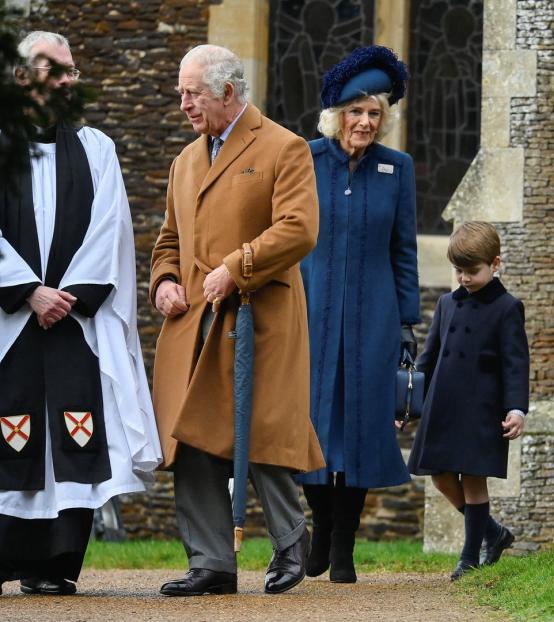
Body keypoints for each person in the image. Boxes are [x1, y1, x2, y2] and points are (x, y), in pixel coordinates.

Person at [150, 44, 324, 596]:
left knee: (261, 431)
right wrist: (165, 282)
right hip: (193, 321)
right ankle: (211, 563)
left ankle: (291, 539)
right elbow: (168, 242)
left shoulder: (283, 147)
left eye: (192, 93)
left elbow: (299, 229)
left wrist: (235, 268)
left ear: (228, 92)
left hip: (258, 316)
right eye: (180, 93)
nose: (183, 104)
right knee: (193, 437)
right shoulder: (184, 161)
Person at [0, 31, 162, 595]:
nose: (72, 80)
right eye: (58, 71)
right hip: (10, 321)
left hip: (72, 319)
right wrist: (25, 290)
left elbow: (111, 228)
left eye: (73, 71)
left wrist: (65, 294)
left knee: (73, 433)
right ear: (23, 79)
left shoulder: (96, 147)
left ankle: (54, 565)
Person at [294, 45, 420, 585]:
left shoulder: (398, 168)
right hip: (311, 310)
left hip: (374, 317)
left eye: (375, 114)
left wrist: (407, 324)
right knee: (312, 424)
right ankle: (320, 530)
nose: (366, 122)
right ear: (336, 115)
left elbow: (404, 250)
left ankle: (343, 547)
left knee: (364, 430)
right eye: (357, 112)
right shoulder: (303, 159)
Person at [408, 221, 529, 581]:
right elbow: (427, 359)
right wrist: (408, 403)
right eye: (458, 270)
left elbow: (516, 363)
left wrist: (516, 408)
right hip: (442, 407)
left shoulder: (508, 308)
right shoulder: (446, 304)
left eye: (472, 271)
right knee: (441, 477)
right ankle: (494, 533)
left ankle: (469, 556)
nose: (463, 278)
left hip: (482, 410)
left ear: (495, 264)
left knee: (474, 481)